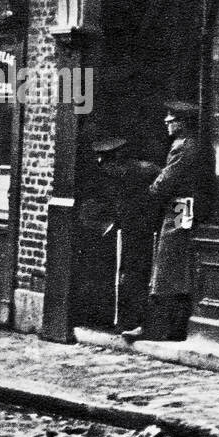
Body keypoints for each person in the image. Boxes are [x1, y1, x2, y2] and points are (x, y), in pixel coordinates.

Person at [123, 102, 202, 342]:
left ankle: (156, 327)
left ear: (183, 123)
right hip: (181, 205)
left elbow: (167, 180)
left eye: (172, 119)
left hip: (180, 206)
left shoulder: (183, 147)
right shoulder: (185, 144)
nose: (167, 122)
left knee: (168, 265)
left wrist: (148, 192)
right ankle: (170, 326)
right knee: (172, 267)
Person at [79, 136, 159, 332]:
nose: (103, 165)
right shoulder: (121, 173)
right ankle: (123, 320)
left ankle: (130, 321)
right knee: (126, 274)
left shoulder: (138, 171)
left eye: (105, 160)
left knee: (131, 275)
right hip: (123, 229)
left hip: (136, 230)